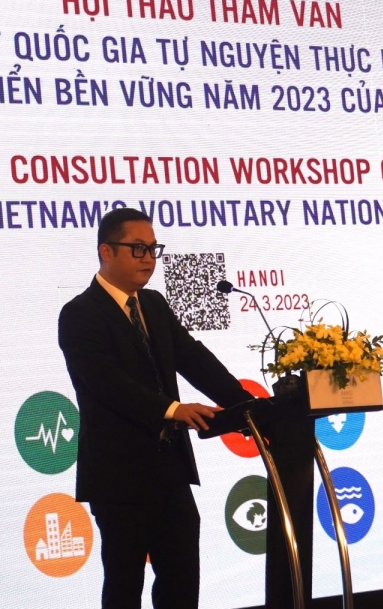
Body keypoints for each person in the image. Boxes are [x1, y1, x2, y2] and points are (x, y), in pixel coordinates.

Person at [58, 207, 253, 609]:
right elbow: (106, 383)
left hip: (170, 471)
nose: (148, 258)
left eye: (153, 249)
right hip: (118, 478)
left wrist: (247, 406)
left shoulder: (154, 304)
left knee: (181, 584)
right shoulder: (79, 314)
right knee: (124, 589)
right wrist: (171, 409)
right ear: (106, 251)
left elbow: (195, 360)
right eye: (138, 248)